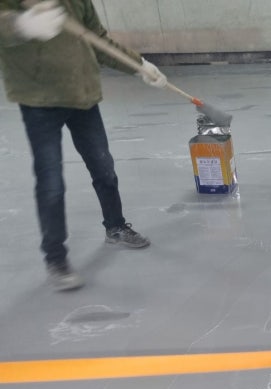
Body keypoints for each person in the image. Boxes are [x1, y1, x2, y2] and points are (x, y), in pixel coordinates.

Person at [0, 0, 168, 291]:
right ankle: (56, 259)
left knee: (104, 168)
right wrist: (20, 25)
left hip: (82, 95)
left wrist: (138, 65)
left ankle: (115, 226)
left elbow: (97, 39)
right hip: (39, 102)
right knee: (51, 182)